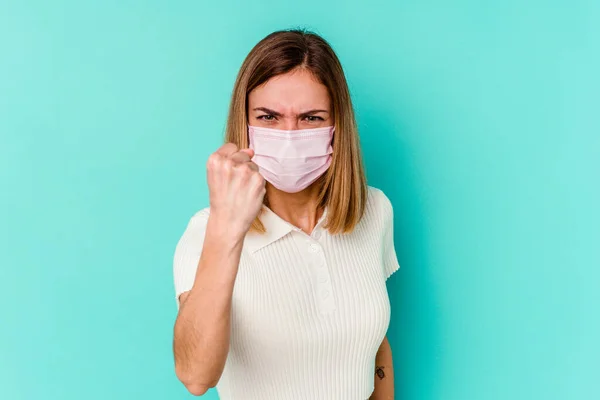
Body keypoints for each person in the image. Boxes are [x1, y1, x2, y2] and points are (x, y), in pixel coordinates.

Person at [172, 29, 400, 400]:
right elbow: (196, 377)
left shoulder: (374, 212)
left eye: (311, 118)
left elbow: (374, 344)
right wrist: (226, 228)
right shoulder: (205, 233)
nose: (290, 135)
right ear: (244, 123)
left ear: (336, 126)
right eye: (268, 117)